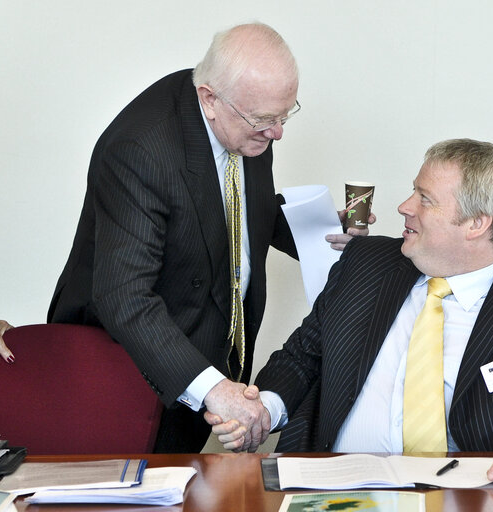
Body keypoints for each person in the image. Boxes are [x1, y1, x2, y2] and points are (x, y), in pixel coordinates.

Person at [47, 23, 370, 453]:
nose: (277, 133)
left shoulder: (246, 117)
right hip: (125, 371)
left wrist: (326, 230)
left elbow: (235, 206)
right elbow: (124, 296)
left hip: (201, 349)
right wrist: (215, 390)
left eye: (284, 115)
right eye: (264, 121)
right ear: (209, 100)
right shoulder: (140, 151)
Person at [210, 138, 493, 486]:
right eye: (412, 192)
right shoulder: (367, 263)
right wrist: (263, 410)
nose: (404, 207)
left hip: (468, 497)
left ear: (476, 224)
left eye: (425, 198)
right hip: (334, 488)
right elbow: (301, 357)